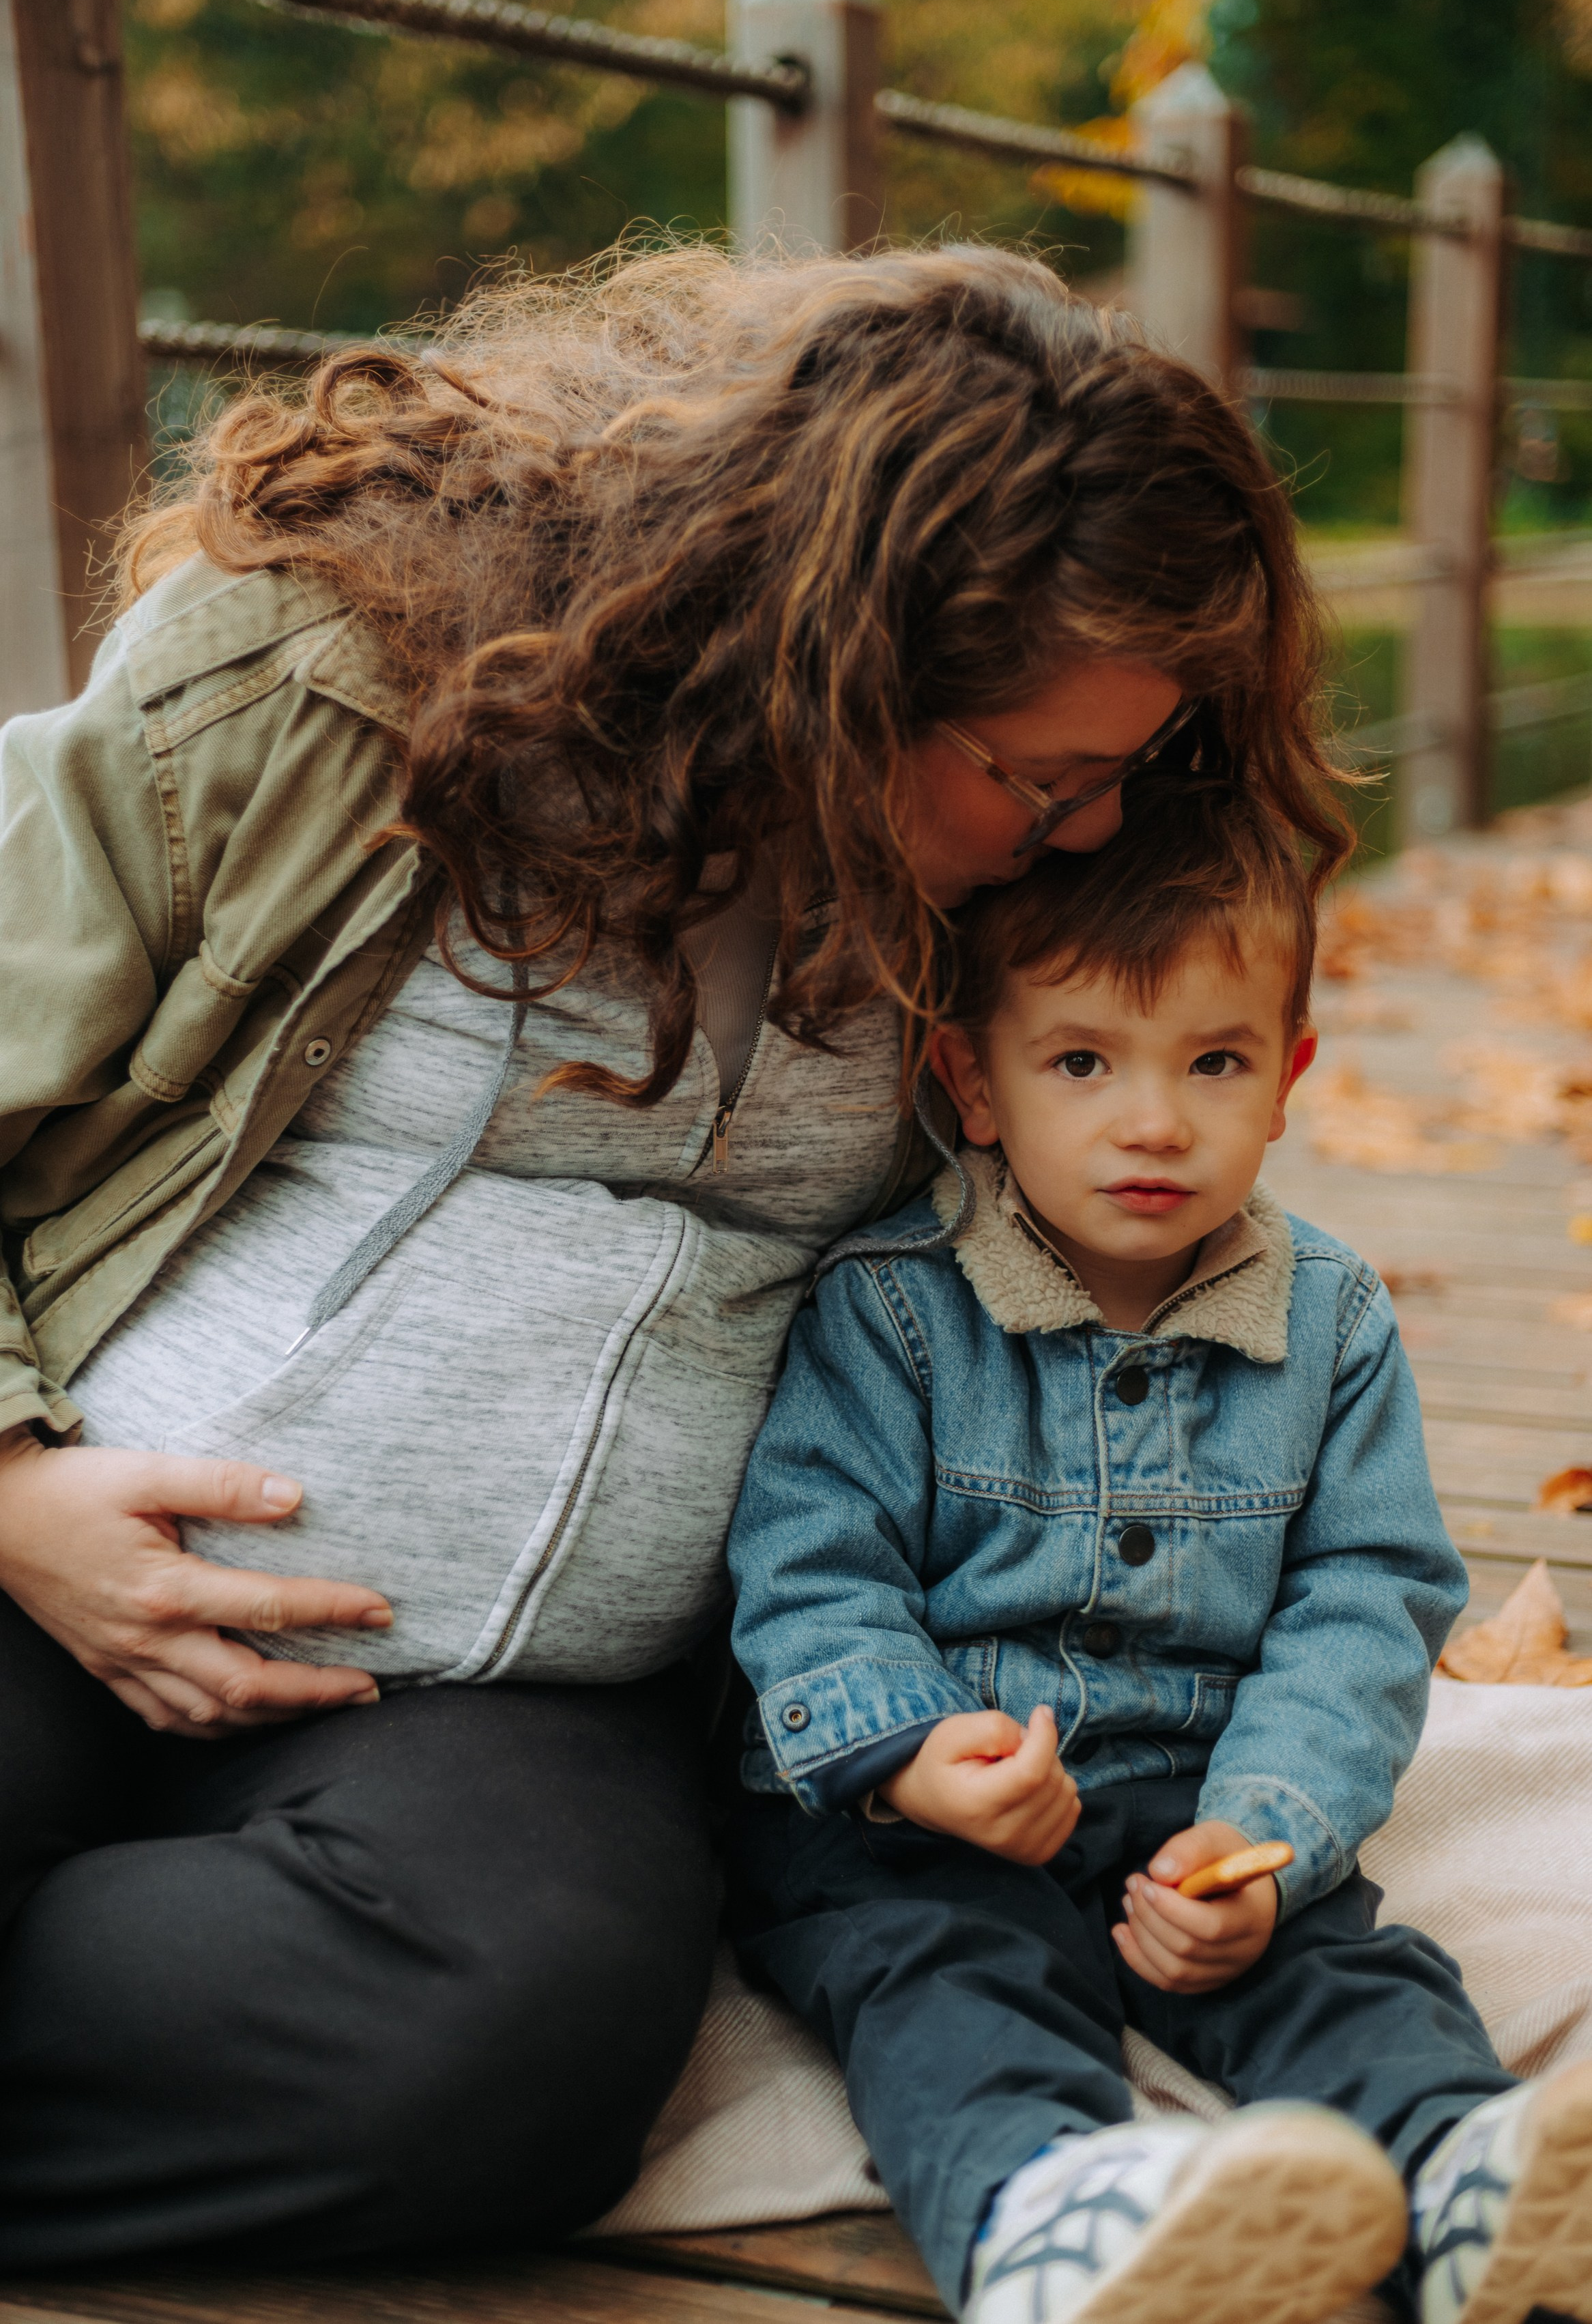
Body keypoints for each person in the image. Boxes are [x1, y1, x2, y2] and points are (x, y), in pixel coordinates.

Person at [0, 242, 1348, 2265]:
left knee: (496, 2050)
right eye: (1032, 772)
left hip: (512, 1713)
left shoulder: (992, 915)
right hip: (46, 1547)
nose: (1084, 832)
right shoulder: (322, 681)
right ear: (827, 656)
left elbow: (1118, 1255)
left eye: (1117, 777)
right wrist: (18, 1488)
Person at [725, 778, 1592, 2324]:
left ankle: (1463, 2177)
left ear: (1289, 1077)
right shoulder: (894, 1307)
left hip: (1192, 1788)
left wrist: (1266, 1832)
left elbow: (1365, 1601)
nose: (1155, 1119)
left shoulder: (1331, 1323)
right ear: (973, 1081)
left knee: (1341, 1968)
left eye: (1215, 1061)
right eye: (1081, 1060)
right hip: (925, 1807)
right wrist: (913, 1753)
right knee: (942, 1975)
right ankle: (1049, 2214)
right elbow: (813, 1562)